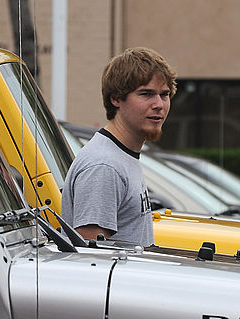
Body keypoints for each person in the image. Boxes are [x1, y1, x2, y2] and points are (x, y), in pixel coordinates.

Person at [61, 47, 176, 246]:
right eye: (146, 94)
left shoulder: (121, 155)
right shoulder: (104, 166)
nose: (159, 104)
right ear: (116, 99)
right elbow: (94, 261)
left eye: (164, 94)